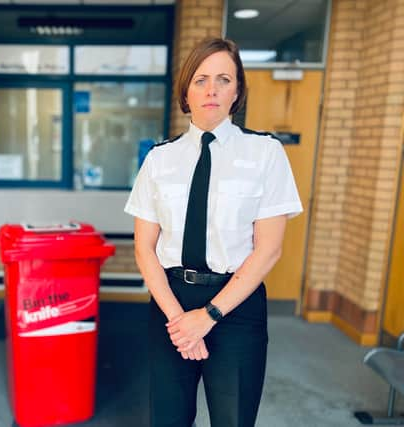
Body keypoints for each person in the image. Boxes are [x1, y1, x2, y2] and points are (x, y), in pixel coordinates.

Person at [124, 37, 303, 427]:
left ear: (237, 91)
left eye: (223, 79)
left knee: (233, 419)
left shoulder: (265, 154)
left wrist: (209, 315)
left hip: (236, 306)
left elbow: (268, 249)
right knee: (168, 418)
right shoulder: (159, 159)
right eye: (201, 79)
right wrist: (179, 321)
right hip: (171, 299)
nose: (211, 89)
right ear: (186, 91)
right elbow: (144, 248)